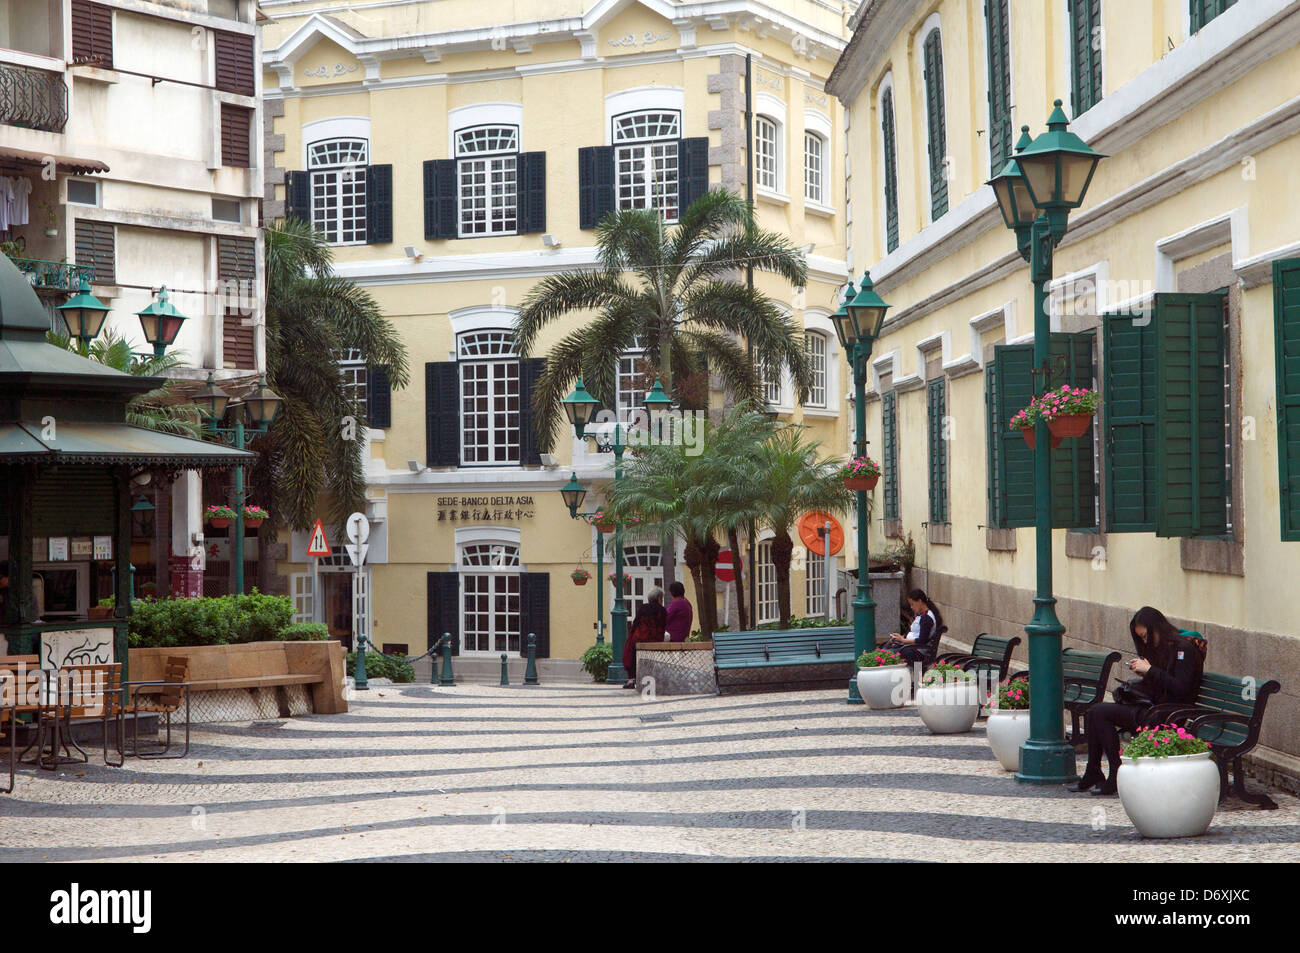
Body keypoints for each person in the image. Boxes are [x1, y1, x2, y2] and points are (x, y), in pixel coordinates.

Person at [1072, 606, 1206, 796]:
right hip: (1153, 709)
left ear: (1157, 628)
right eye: (1141, 638)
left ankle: (1113, 775)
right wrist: (1145, 674)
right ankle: (1093, 772)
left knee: (1099, 712)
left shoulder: (1183, 649)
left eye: (1145, 636)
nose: (1145, 641)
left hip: (1167, 715)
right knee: (1095, 712)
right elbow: (1161, 684)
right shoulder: (1164, 649)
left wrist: (1150, 670)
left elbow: (1180, 688)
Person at [883, 589, 944, 667]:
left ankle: (914, 674)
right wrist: (901, 638)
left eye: (912, 604)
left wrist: (904, 640)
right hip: (914, 648)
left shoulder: (926, 618)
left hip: (918, 651)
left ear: (919, 601)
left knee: (886, 653)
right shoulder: (924, 615)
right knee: (887, 649)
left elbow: (922, 640)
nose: (911, 607)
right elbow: (917, 634)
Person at [622, 587, 667, 688]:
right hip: (656, 639)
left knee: (630, 649)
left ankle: (631, 679)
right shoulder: (663, 610)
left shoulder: (643, 608)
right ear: (659, 598)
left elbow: (636, 623)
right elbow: (663, 626)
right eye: (662, 598)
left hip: (640, 637)